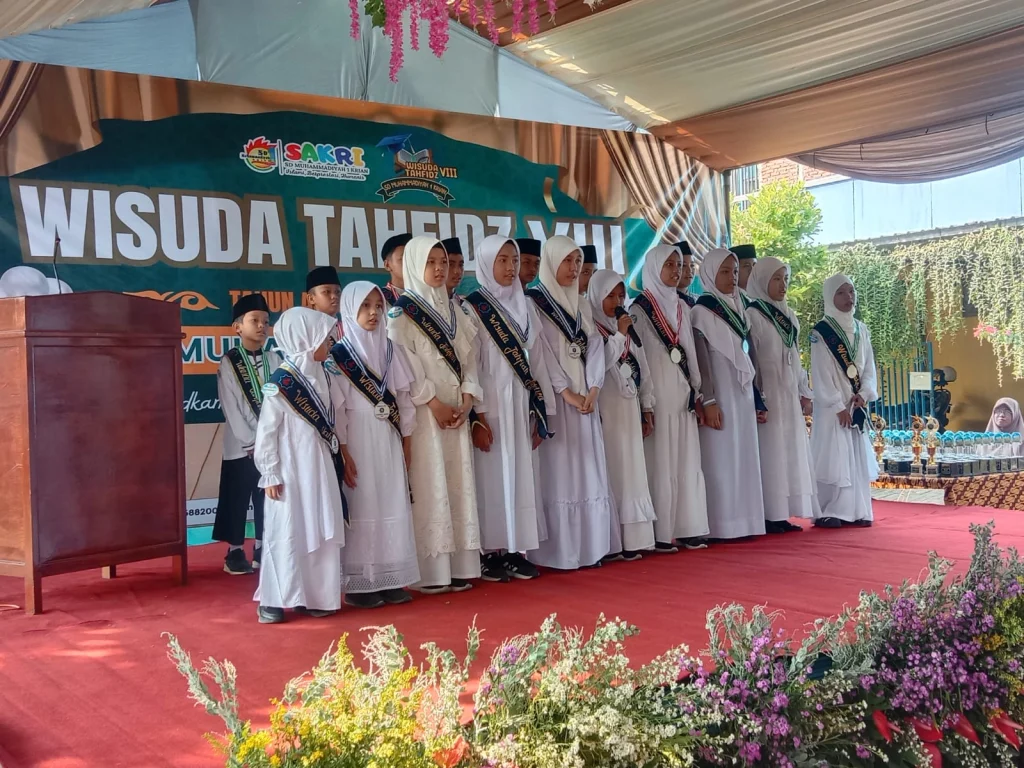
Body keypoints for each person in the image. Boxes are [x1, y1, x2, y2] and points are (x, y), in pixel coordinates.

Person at [388, 236, 482, 593]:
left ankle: (459, 567)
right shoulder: (402, 313)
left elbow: (469, 359)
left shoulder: (457, 311)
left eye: (443, 262)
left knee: (457, 483)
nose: (440, 269)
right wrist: (433, 402)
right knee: (430, 482)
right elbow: (404, 366)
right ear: (414, 265)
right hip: (426, 415)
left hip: (457, 411)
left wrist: (469, 398)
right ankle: (431, 571)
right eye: (431, 262)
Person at [526, 235, 615, 570]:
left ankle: (590, 548)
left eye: (577, 261)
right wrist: (566, 391)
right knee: (561, 472)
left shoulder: (582, 304)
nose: (574, 268)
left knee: (587, 471)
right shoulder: (534, 302)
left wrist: (593, 388)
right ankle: (561, 552)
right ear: (551, 262)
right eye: (567, 261)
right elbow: (541, 354)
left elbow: (595, 347)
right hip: (557, 400)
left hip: (586, 399)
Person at [464, 235, 550, 581]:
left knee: (520, 476)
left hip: (520, 403)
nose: (511, 267)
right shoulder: (473, 307)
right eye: (502, 260)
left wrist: (541, 411)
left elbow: (538, 362)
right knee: (491, 479)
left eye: (514, 260)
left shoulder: (525, 305)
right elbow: (471, 365)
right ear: (486, 263)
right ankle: (489, 553)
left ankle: (516, 549)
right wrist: (478, 416)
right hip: (491, 406)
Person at [253, 307, 346, 624]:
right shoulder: (281, 383)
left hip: (319, 466)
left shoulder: (324, 375)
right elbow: (267, 432)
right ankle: (275, 599)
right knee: (288, 529)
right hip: (290, 470)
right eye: (324, 337)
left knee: (320, 525)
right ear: (305, 339)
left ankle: (317, 596)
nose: (330, 342)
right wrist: (269, 472)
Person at [332, 282, 420, 608]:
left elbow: (405, 401)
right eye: (365, 306)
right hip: (356, 440)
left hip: (388, 438)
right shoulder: (338, 357)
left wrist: (407, 441)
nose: (373, 313)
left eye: (378, 306)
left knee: (390, 502)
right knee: (363, 504)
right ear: (349, 310)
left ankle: (390, 577)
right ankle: (360, 583)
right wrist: (343, 451)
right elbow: (337, 409)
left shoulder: (391, 350)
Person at [631, 245, 710, 552]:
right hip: (657, 395)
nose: (676, 270)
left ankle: (688, 527)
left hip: (682, 393)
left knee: (686, 459)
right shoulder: (639, 309)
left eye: (679, 265)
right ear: (653, 267)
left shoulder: (682, 306)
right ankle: (660, 532)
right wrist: (645, 401)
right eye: (669, 264)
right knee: (661, 460)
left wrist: (697, 389)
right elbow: (639, 359)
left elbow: (690, 351)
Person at [692, 248, 767, 540]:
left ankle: (746, 521)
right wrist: (709, 399)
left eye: (735, 271)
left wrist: (758, 397)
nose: (732, 277)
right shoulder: (701, 311)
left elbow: (751, 354)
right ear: (710, 273)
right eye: (724, 271)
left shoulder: (740, 308)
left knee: (744, 454)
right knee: (721, 457)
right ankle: (723, 524)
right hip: (720, 394)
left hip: (743, 393)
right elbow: (702, 361)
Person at [745, 258, 819, 531]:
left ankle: (784, 512)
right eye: (776, 279)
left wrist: (804, 390)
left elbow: (795, 357)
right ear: (762, 280)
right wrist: (758, 396)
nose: (783, 285)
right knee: (771, 450)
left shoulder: (789, 315)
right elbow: (751, 357)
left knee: (788, 449)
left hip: (788, 393)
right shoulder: (752, 314)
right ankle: (769, 513)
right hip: (768, 393)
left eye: (785, 278)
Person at [589, 269, 657, 558]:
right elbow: (599, 366)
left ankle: (636, 539)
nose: (617, 302)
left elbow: (643, 366)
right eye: (610, 296)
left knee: (632, 468)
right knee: (614, 467)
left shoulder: (626, 329)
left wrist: (647, 405)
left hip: (629, 405)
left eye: (621, 295)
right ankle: (614, 539)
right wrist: (618, 335)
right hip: (607, 406)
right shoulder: (591, 327)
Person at [213, 293, 281, 575]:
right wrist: (251, 442)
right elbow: (230, 406)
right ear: (238, 327)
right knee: (237, 497)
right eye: (255, 320)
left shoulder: (275, 359)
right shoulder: (229, 362)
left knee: (267, 496)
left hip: (272, 443)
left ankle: (263, 547)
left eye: (266, 321)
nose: (262, 326)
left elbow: (280, 402)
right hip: (241, 446)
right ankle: (235, 551)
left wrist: (270, 439)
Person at [809, 274, 880, 529]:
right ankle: (830, 510)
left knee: (855, 455)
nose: (848, 297)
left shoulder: (862, 329)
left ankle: (858, 510)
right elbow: (820, 372)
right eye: (841, 293)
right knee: (834, 455)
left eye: (851, 291)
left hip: (856, 403)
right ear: (830, 296)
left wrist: (865, 392)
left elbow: (869, 367)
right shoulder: (821, 332)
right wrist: (837, 405)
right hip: (833, 407)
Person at [305, 266, 344, 340]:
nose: (334, 296)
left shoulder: (348, 330)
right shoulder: (306, 331)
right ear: (311, 298)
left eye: (337, 292)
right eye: (326, 292)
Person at [381, 233, 413, 307]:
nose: (410, 263)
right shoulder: (380, 299)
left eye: (413, 258)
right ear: (387, 265)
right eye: (403, 259)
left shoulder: (427, 296)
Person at [442, 237, 467, 306]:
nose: (457, 271)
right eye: (451, 265)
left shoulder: (465, 305)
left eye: (460, 265)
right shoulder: (428, 304)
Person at [675, 241, 698, 307]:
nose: (689, 270)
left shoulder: (698, 301)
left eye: (692, 265)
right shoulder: (666, 300)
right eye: (683, 265)